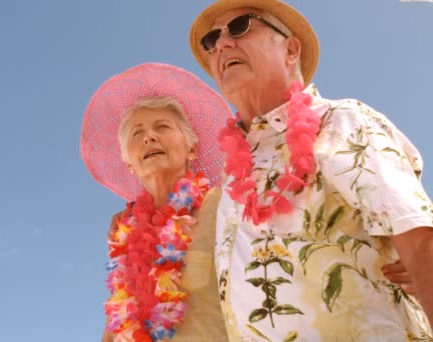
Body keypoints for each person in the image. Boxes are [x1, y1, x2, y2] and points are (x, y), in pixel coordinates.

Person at [188, 0, 433, 340]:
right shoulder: (231, 180)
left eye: (241, 25)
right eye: (211, 41)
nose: (223, 43)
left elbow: (421, 240)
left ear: (290, 49)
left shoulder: (342, 121)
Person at [81, 63, 231, 341]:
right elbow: (114, 325)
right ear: (128, 163)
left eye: (162, 126)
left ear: (192, 148)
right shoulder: (123, 236)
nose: (149, 136)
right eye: (137, 134)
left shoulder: (224, 206)